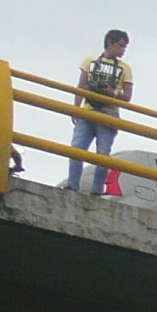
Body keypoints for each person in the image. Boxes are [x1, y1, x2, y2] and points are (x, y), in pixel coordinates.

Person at [66, 29, 132, 192]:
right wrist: (76, 108)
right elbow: (81, 86)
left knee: (102, 154)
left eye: (125, 47)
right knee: (76, 149)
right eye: (120, 46)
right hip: (88, 111)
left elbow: (127, 96)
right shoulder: (89, 61)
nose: (123, 50)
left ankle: (96, 191)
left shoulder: (125, 68)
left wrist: (112, 93)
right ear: (110, 42)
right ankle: (72, 186)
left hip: (109, 113)